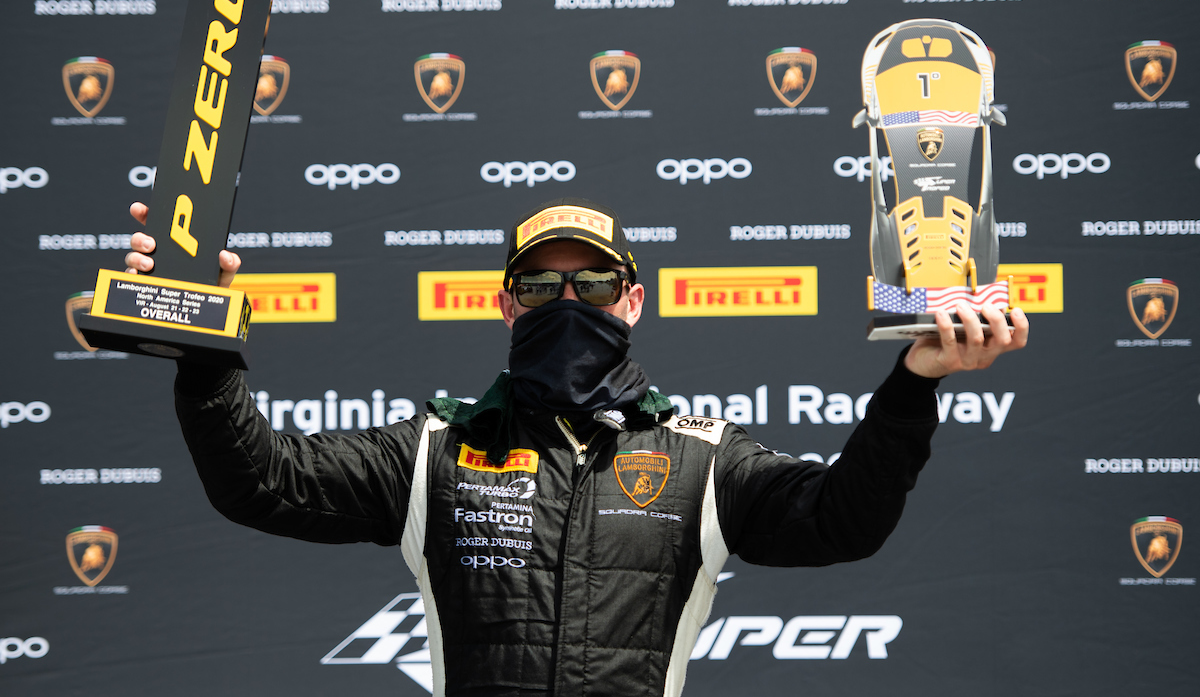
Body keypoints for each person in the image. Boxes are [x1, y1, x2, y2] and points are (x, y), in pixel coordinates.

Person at [124, 197, 1027, 697]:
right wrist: (204, 351)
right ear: (504, 305)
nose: (567, 301)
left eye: (592, 284)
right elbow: (260, 482)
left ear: (632, 302)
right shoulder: (437, 450)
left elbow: (841, 521)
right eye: (539, 285)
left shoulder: (700, 458)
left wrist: (914, 383)